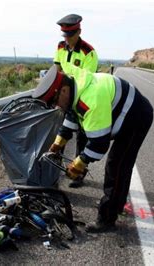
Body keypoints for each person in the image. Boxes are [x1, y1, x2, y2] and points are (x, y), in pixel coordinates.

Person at [32, 65, 154, 233]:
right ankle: (116, 204)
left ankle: (107, 219)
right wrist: (58, 143)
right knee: (119, 165)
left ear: (64, 91)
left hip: (137, 117)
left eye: (54, 101)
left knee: (117, 165)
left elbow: (99, 143)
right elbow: (72, 117)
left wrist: (79, 163)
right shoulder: (76, 87)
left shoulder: (90, 100)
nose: (56, 107)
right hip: (125, 110)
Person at [53, 14, 99, 188]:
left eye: (70, 34)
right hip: (63, 98)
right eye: (64, 35)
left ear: (79, 31)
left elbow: (85, 82)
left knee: (82, 137)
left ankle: (78, 174)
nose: (67, 39)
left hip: (81, 99)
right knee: (61, 135)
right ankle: (55, 172)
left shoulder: (88, 52)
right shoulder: (60, 46)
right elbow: (57, 69)